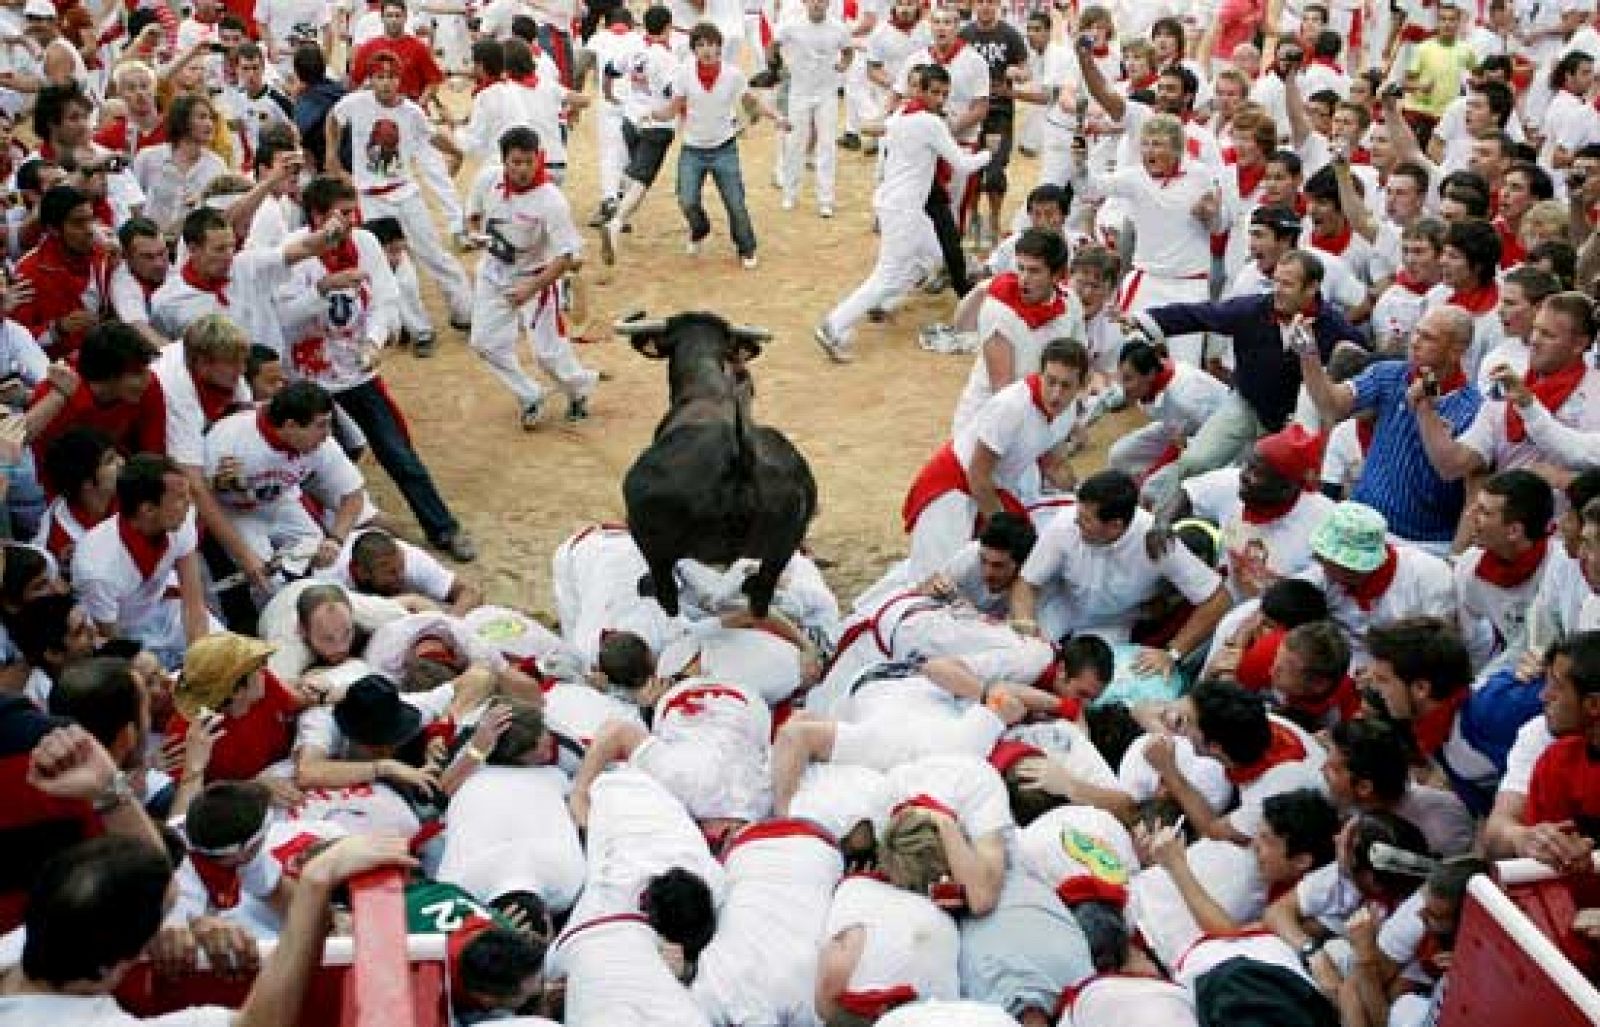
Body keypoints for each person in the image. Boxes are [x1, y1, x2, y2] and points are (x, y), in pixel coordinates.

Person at [0, 827, 416, 1025]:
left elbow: (155, 875)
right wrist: (315, 882)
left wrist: (113, 788)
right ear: (128, 956)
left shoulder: (21, 945)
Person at [1131, 249, 1361, 505]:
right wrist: (1145, 320)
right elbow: (1199, 315)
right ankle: (1168, 520)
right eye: (1275, 281)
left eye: (1287, 284)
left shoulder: (1337, 329)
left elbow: (1359, 367)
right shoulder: (1252, 310)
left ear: (1312, 287)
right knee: (1194, 462)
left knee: (1284, 485)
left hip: (1296, 423)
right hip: (1245, 405)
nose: (1278, 290)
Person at [814, 63, 990, 362]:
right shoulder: (928, 123)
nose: (940, 99)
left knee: (936, 255)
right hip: (904, 208)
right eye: (935, 92)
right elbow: (962, 164)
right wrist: (991, 154)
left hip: (899, 204)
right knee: (887, 276)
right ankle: (834, 325)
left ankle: (890, 299)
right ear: (919, 90)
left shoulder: (901, 114)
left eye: (944, 94)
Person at [1010, 468, 1230, 673]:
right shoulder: (1065, 524)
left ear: (1115, 525)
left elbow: (1217, 599)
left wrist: (1173, 653)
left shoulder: (1155, 540)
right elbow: (1026, 583)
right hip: (1061, 606)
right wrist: (1025, 624)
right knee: (1024, 659)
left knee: (1088, 682)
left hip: (1112, 623)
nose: (1077, 521)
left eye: (1086, 519)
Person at [1300, 305, 1480, 551]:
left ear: (1456, 350)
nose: (1415, 342)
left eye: (1428, 338)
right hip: (1360, 524)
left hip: (1423, 545)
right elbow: (1332, 405)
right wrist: (1308, 354)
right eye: (1416, 333)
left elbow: (1474, 494)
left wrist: (1455, 557)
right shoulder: (1389, 374)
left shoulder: (1474, 410)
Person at [901, 339, 1086, 578]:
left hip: (992, 489)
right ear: (1040, 374)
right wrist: (1002, 531)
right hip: (952, 491)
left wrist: (1084, 494)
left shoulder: (1067, 412)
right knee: (935, 581)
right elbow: (977, 474)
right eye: (1050, 381)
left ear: (1081, 385)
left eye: (1066, 385)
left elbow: (1052, 464)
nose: (1056, 394)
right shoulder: (1011, 407)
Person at [326, 51, 473, 332]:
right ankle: (418, 329)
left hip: (405, 193)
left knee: (433, 253)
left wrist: (456, 151)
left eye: (391, 77)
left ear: (399, 79)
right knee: (391, 264)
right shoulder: (356, 103)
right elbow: (333, 118)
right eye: (379, 77)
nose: (385, 83)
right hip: (370, 198)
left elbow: (431, 135)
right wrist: (332, 155)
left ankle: (464, 310)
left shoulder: (411, 112)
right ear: (371, 79)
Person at [466, 126, 598, 429]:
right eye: (516, 162)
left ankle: (578, 390)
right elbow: (472, 215)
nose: (523, 169)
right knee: (484, 343)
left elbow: (566, 256)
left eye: (529, 161)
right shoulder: (487, 180)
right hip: (493, 273)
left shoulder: (551, 200)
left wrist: (531, 288)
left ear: (539, 158)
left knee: (548, 355)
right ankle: (529, 394)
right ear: (504, 161)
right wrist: (475, 234)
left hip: (536, 278)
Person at [71, 454, 213, 666]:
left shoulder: (181, 518)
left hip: (166, 608)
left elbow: (194, 604)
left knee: (220, 656)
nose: (190, 503)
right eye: (180, 497)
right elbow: (114, 642)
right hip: (124, 632)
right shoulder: (97, 568)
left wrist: (203, 659)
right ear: (147, 510)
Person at [667, 23, 782, 269]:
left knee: (735, 202)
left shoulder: (733, 75)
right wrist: (654, 115)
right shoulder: (684, 75)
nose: (706, 50)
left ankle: (747, 247)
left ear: (719, 47)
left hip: (723, 147)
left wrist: (777, 118)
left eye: (710, 44)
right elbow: (673, 108)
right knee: (687, 200)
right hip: (693, 148)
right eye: (700, 45)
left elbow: (751, 103)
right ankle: (699, 230)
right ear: (694, 50)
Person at [776, 0, 853, 219]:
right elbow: (774, 44)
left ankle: (826, 199)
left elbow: (848, 51)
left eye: (822, 0)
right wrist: (778, 66)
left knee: (827, 144)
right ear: (805, 2)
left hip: (826, 94)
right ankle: (790, 193)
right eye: (813, 0)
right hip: (799, 93)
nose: (817, 4)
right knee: (795, 143)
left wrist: (844, 65)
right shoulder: (791, 26)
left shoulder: (839, 28)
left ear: (828, 3)